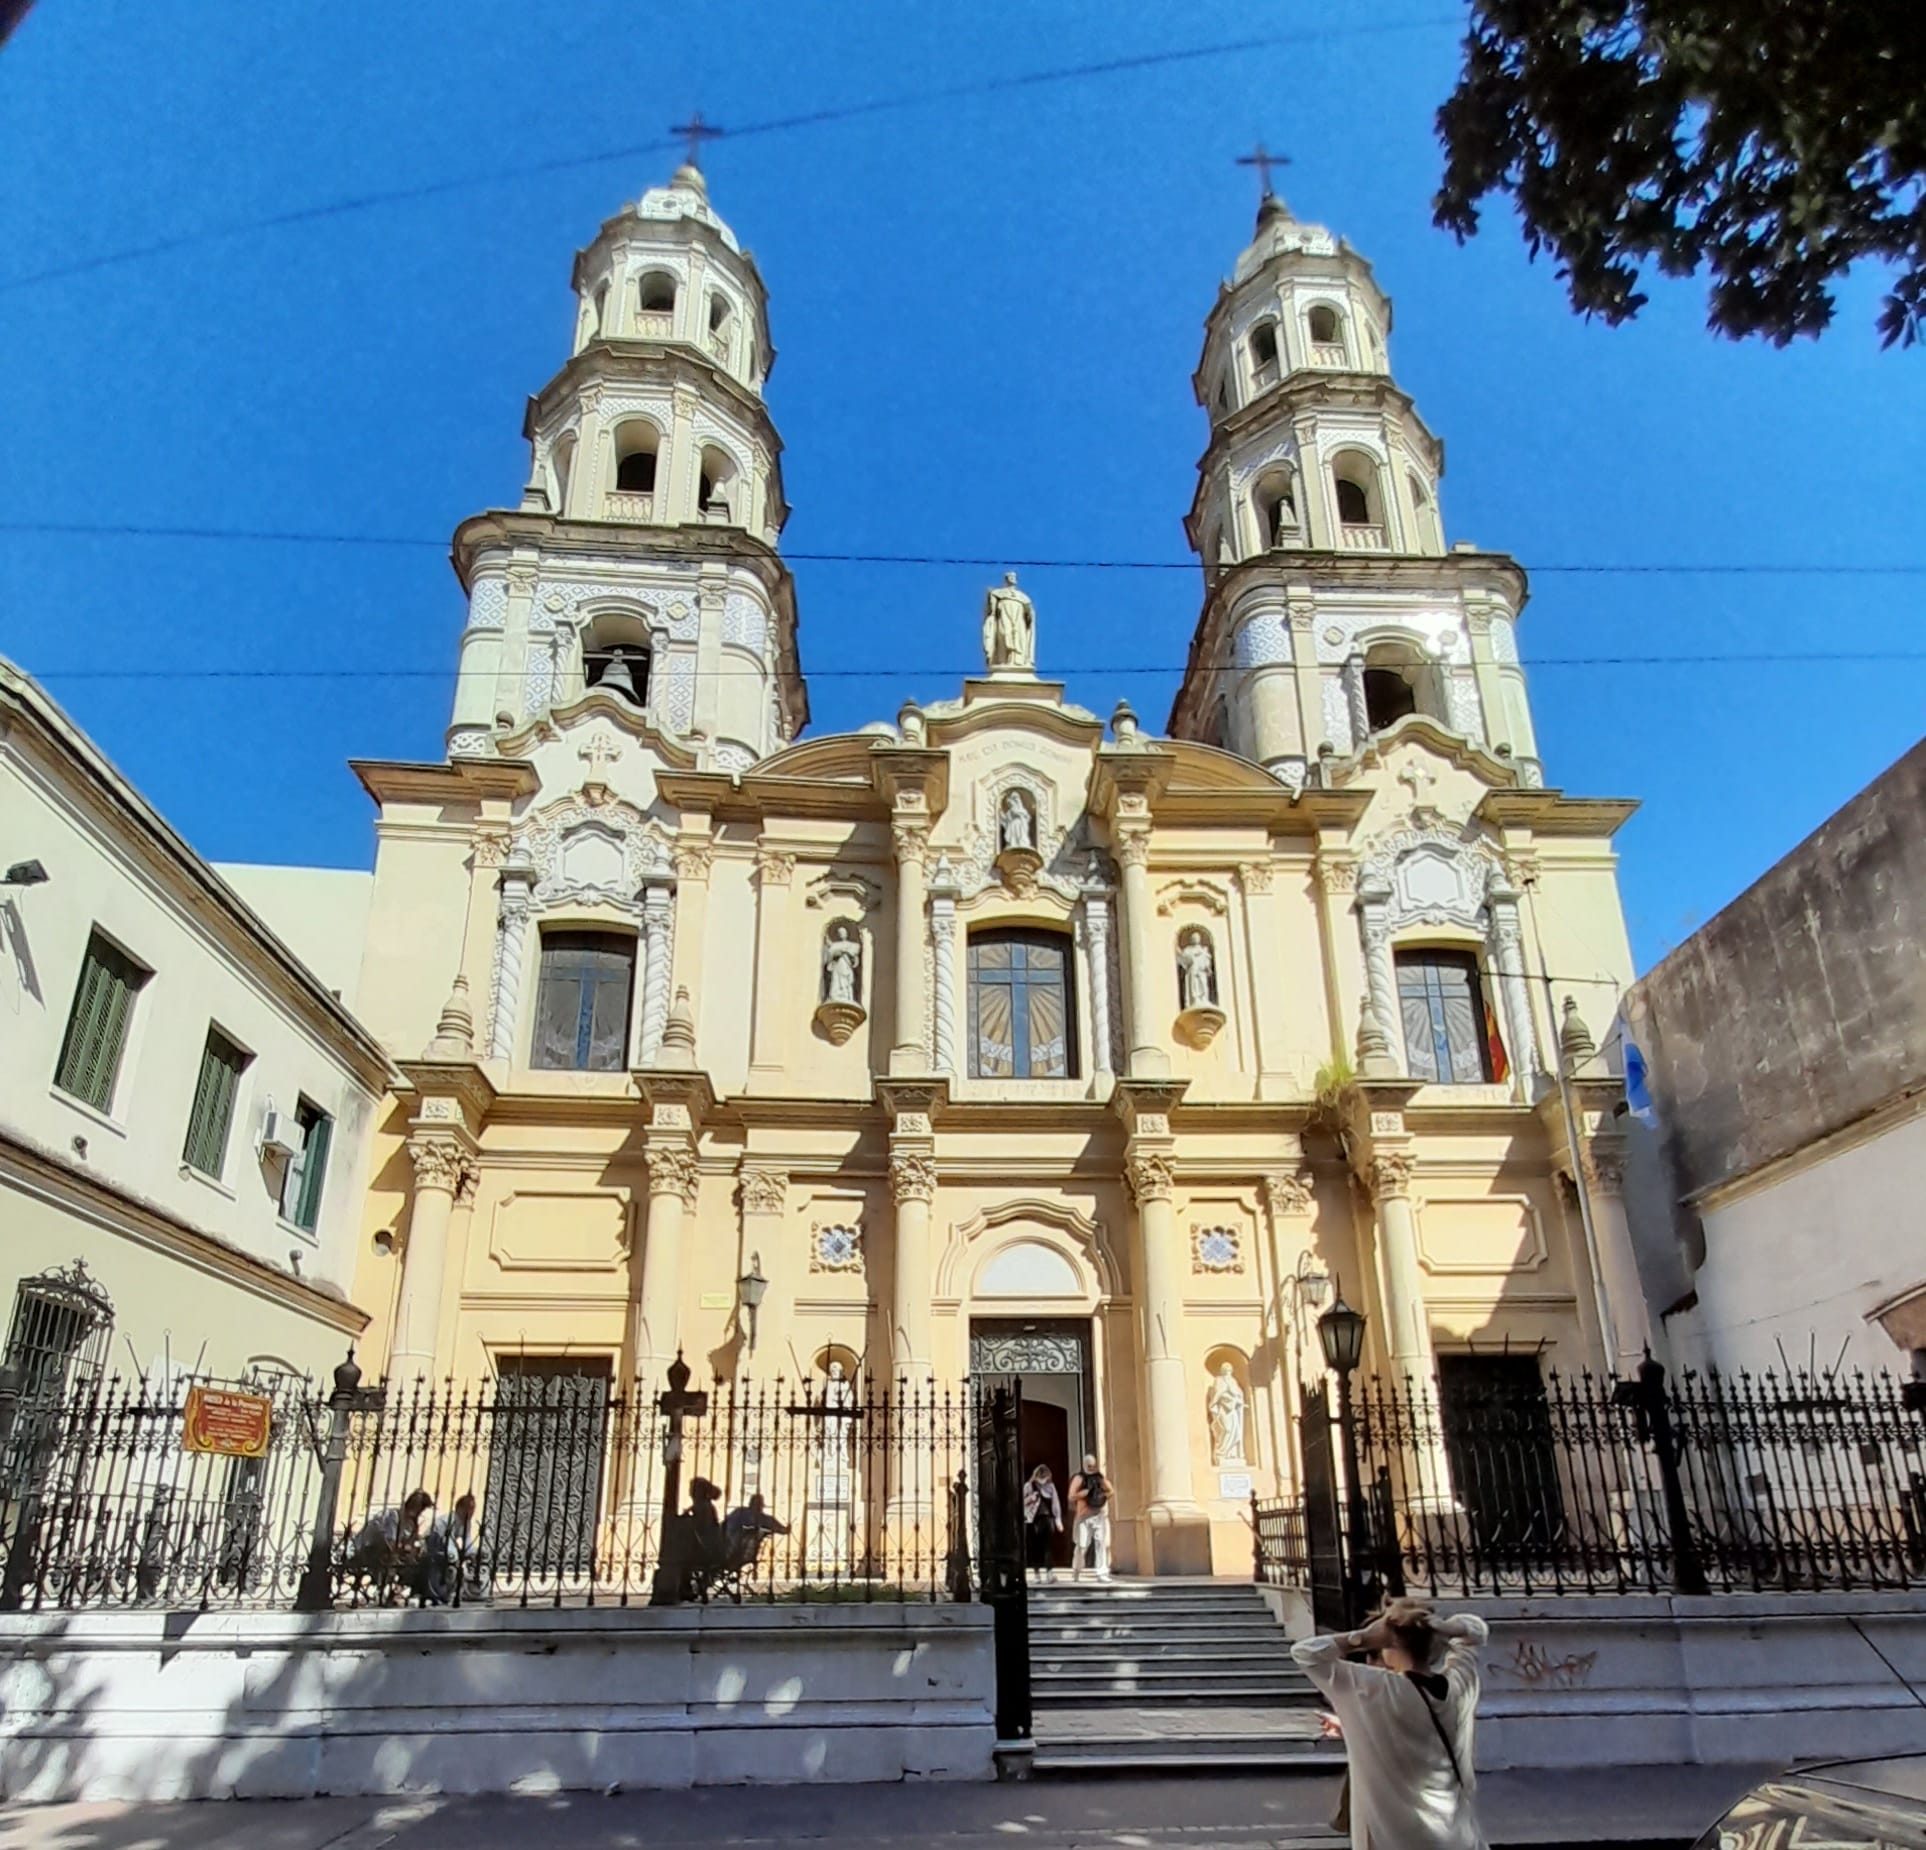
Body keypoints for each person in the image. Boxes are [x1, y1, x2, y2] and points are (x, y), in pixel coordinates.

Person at [1291, 1598, 1491, 1850]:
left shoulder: (1372, 1688)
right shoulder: (1461, 1683)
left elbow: (1306, 1653)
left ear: (1388, 1642)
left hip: (1394, 1840)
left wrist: (1362, 1638)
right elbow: (1476, 1630)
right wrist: (1446, 1627)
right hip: (1457, 1837)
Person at [346, 1489, 433, 1603]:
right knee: (391, 1557)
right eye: (421, 1508)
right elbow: (389, 1542)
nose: (421, 1512)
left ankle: (399, 1590)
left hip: (391, 1551)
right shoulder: (393, 1516)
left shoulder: (413, 1522)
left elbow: (411, 1543)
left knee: (418, 1562)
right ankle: (382, 1590)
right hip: (368, 1549)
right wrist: (404, 1550)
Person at [420, 1492, 478, 1605]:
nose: (471, 1512)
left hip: (446, 1547)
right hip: (434, 1545)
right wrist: (454, 1553)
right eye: (469, 1508)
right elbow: (445, 1539)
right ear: (461, 1508)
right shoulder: (448, 1520)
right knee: (451, 1566)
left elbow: (467, 1539)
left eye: (473, 1509)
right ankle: (440, 1593)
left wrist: (472, 1552)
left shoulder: (466, 1523)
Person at [1067, 1453, 1113, 1583]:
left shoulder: (1099, 1478)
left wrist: (1101, 1496)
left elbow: (1111, 1491)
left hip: (1098, 1515)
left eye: (1093, 1466)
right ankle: (1076, 1570)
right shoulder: (1079, 1478)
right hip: (1083, 1516)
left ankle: (1101, 1572)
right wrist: (1082, 1494)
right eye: (1089, 1466)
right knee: (1082, 1546)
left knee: (1100, 1543)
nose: (1092, 1468)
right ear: (1084, 1465)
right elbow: (1071, 1496)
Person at [1022, 1463, 1063, 1583]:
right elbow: (1021, 1502)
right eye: (1041, 1475)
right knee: (1035, 1548)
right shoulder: (1029, 1486)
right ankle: (1036, 1575)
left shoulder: (1050, 1487)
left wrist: (1058, 1520)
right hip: (1033, 1520)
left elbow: (1056, 1503)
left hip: (1047, 1518)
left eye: (1045, 1476)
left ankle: (1050, 1573)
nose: (1043, 1479)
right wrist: (1031, 1498)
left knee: (1048, 1547)